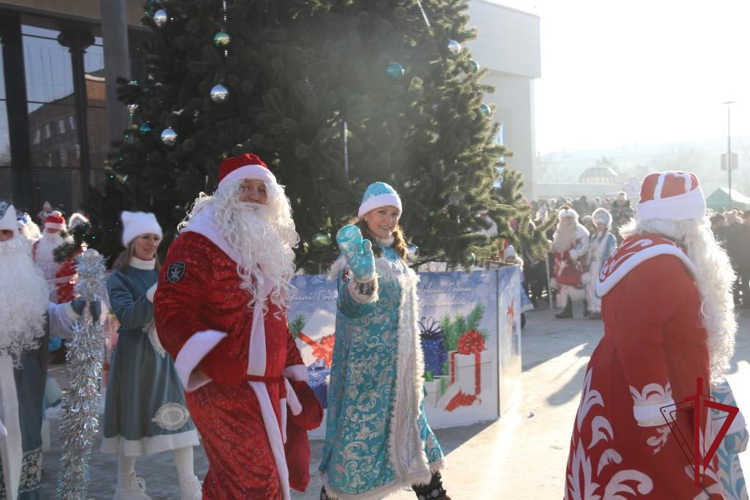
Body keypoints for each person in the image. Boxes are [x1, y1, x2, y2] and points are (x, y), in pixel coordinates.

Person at [154, 153, 320, 499]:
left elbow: (276, 324)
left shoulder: (265, 252)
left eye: (263, 190)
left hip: (267, 390)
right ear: (227, 193)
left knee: (236, 483)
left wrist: (296, 380)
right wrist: (211, 358)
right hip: (221, 387)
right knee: (254, 483)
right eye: (246, 187)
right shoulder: (198, 242)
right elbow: (172, 309)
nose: (256, 197)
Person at [564, 171, 736, 498]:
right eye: (699, 222)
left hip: (642, 384)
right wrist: (654, 411)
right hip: (656, 398)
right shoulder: (658, 261)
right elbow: (638, 338)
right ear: (684, 221)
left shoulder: (645, 251)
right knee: (664, 481)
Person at [320, 182, 448, 500]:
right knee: (357, 446)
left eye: (393, 213)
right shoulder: (355, 255)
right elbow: (348, 305)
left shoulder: (393, 253)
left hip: (400, 371)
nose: (388, 220)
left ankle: (432, 492)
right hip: (366, 375)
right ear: (366, 215)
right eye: (382, 212)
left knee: (413, 434)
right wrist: (363, 281)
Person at [0, 201, 97, 499]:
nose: (2, 241)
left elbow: (50, 317)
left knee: (24, 452)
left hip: (25, 392)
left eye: (6, 233)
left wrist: (76, 307)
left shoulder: (27, 282)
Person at [103, 211, 201, 500]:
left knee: (181, 418)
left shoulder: (164, 274)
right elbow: (128, 317)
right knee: (131, 418)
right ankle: (125, 486)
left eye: (156, 238)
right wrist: (156, 293)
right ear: (132, 239)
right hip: (134, 360)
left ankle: (189, 485)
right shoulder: (118, 278)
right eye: (145, 237)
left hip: (165, 358)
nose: (151, 243)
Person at [551, 207, 589, 319]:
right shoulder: (558, 230)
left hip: (576, 262)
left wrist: (575, 253)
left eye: (569, 218)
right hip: (562, 263)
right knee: (564, 286)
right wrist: (551, 247)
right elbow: (556, 244)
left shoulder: (580, 230)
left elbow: (585, 246)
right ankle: (567, 310)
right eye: (565, 218)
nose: (567, 220)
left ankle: (588, 308)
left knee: (580, 284)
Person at [584, 208, 616, 320]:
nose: (599, 226)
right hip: (593, 265)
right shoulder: (594, 237)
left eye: (601, 224)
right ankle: (594, 309)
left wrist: (610, 265)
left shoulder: (610, 237)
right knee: (592, 287)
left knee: (601, 287)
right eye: (597, 224)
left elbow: (613, 251)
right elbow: (589, 251)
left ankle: (603, 309)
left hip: (603, 265)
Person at [32, 212, 67, 302]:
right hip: (39, 286)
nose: (51, 232)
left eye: (54, 230)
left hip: (64, 289)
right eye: (49, 229)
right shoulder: (37, 245)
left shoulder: (69, 247)